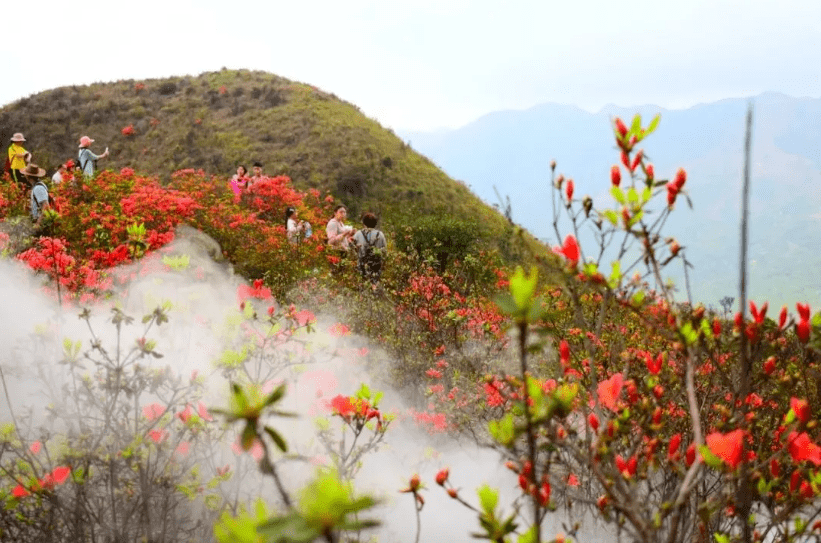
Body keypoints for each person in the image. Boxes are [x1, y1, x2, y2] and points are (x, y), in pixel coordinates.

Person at [353, 212, 387, 283]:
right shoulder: (380, 234)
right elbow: (384, 251)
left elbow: (352, 247)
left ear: (364, 223)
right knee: (375, 282)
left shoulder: (358, 234)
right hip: (376, 264)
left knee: (363, 282)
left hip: (362, 263)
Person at [326, 205, 356, 271]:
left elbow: (342, 238)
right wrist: (344, 234)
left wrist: (350, 234)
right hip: (336, 252)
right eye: (341, 212)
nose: (343, 214)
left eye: (344, 212)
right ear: (335, 213)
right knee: (337, 273)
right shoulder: (332, 223)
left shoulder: (340, 223)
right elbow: (331, 241)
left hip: (343, 251)